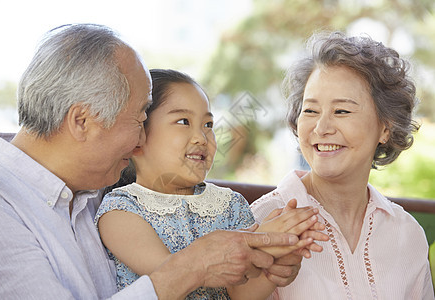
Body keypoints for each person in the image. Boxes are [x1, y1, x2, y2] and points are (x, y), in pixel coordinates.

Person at [0, 24, 307, 300]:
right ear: (82, 121)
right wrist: (193, 266)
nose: (142, 140)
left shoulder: (92, 188)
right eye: (139, 119)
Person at [95, 69, 328, 299]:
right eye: (184, 121)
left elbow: (241, 294)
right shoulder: (120, 210)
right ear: (137, 139)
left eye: (208, 125)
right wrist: (262, 239)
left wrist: (275, 263)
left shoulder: (230, 203)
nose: (202, 137)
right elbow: (169, 274)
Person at [250, 31, 435, 299]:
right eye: (310, 110)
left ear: (385, 127)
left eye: (342, 111)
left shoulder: (407, 234)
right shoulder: (263, 221)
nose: (322, 128)